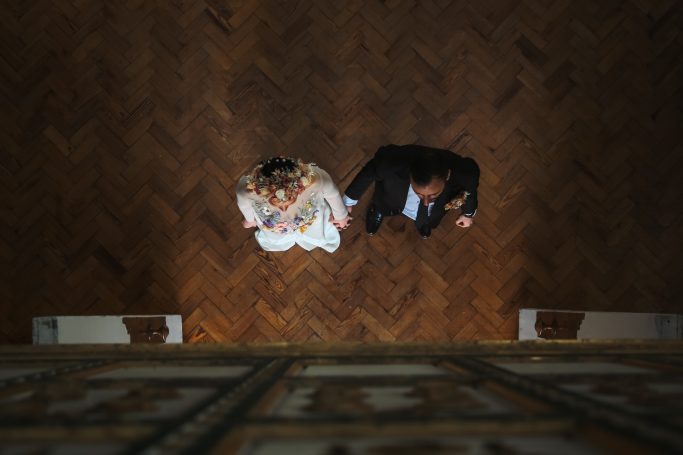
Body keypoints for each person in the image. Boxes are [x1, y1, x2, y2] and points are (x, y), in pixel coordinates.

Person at [343, 144, 479, 238]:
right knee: (383, 202)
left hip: (435, 209)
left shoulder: (466, 174)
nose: (425, 202)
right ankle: (379, 210)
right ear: (410, 175)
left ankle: (423, 222)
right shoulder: (390, 162)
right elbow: (369, 172)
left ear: (447, 177)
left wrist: (468, 214)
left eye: (433, 194)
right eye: (419, 193)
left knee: (429, 219)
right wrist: (347, 203)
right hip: (393, 195)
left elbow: (470, 192)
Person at [236, 157, 352, 252]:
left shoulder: (246, 190)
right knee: (283, 233)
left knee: (310, 230)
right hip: (296, 221)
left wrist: (250, 220)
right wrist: (341, 216)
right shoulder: (316, 179)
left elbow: (333, 194)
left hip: (305, 220)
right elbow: (333, 194)